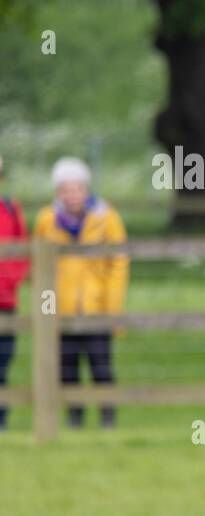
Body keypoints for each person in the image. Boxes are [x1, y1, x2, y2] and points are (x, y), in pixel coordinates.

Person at [33, 157, 129, 429]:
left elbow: (118, 264)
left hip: (96, 306)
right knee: (67, 367)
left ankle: (107, 417)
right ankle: (74, 418)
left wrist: (112, 308)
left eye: (76, 188)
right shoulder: (46, 221)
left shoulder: (106, 218)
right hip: (61, 308)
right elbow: (40, 270)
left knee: (101, 366)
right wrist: (47, 311)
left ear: (86, 190)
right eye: (65, 189)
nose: (71, 195)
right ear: (57, 192)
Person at [0, 155, 31, 431]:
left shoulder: (10, 209)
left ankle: (1, 423)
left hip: (5, 301)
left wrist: (9, 282)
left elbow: (24, 252)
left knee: (2, 364)